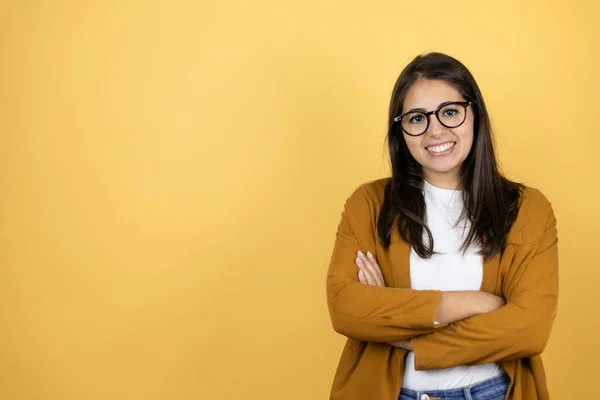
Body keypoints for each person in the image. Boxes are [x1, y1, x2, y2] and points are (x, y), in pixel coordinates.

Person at [325, 52, 558, 400]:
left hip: (494, 392)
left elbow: (530, 329)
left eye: (450, 112)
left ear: (474, 113)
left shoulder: (528, 209)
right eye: (417, 118)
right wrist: (470, 303)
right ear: (400, 129)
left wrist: (397, 330)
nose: (435, 130)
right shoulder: (369, 205)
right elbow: (345, 307)